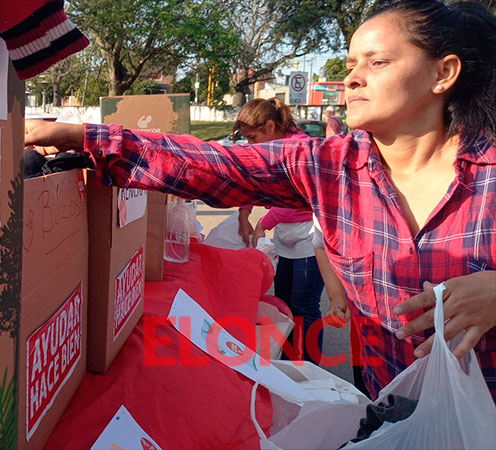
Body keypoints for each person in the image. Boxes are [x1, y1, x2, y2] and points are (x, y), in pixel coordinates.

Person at [25, 0, 496, 401]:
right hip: (392, 409)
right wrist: (84, 138)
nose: (351, 79)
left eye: (377, 63)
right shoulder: (328, 166)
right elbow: (211, 165)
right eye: (350, 64)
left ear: (443, 73)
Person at [230, 98, 326, 364]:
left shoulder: (301, 149)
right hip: (287, 237)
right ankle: (287, 360)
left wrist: (263, 223)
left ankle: (307, 368)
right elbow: (253, 180)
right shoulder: (269, 148)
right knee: (283, 305)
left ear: (270, 126)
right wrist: (243, 212)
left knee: (304, 307)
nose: (250, 145)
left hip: (310, 236)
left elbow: (299, 199)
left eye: (253, 138)